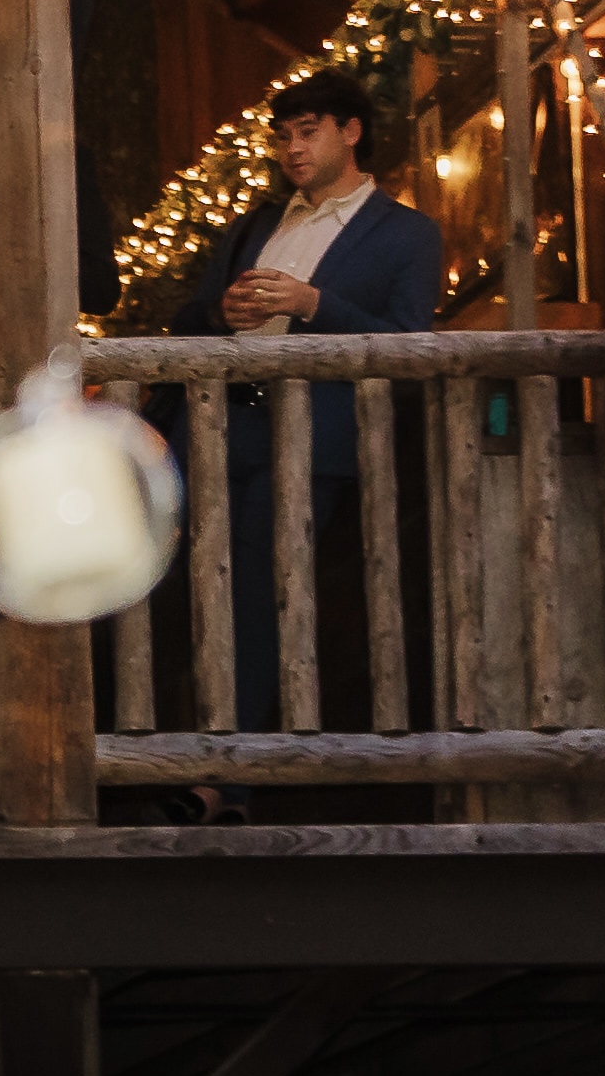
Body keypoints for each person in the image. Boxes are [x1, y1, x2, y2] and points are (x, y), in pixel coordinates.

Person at [165, 67, 444, 737]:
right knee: (182, 592)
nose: (291, 148)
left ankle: (226, 775)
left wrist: (313, 304)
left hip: (308, 439)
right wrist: (220, 310)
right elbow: (187, 318)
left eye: (307, 132)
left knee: (262, 598)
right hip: (213, 429)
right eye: (282, 135)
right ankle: (177, 747)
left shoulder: (405, 233)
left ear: (349, 133)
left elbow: (409, 346)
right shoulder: (253, 226)